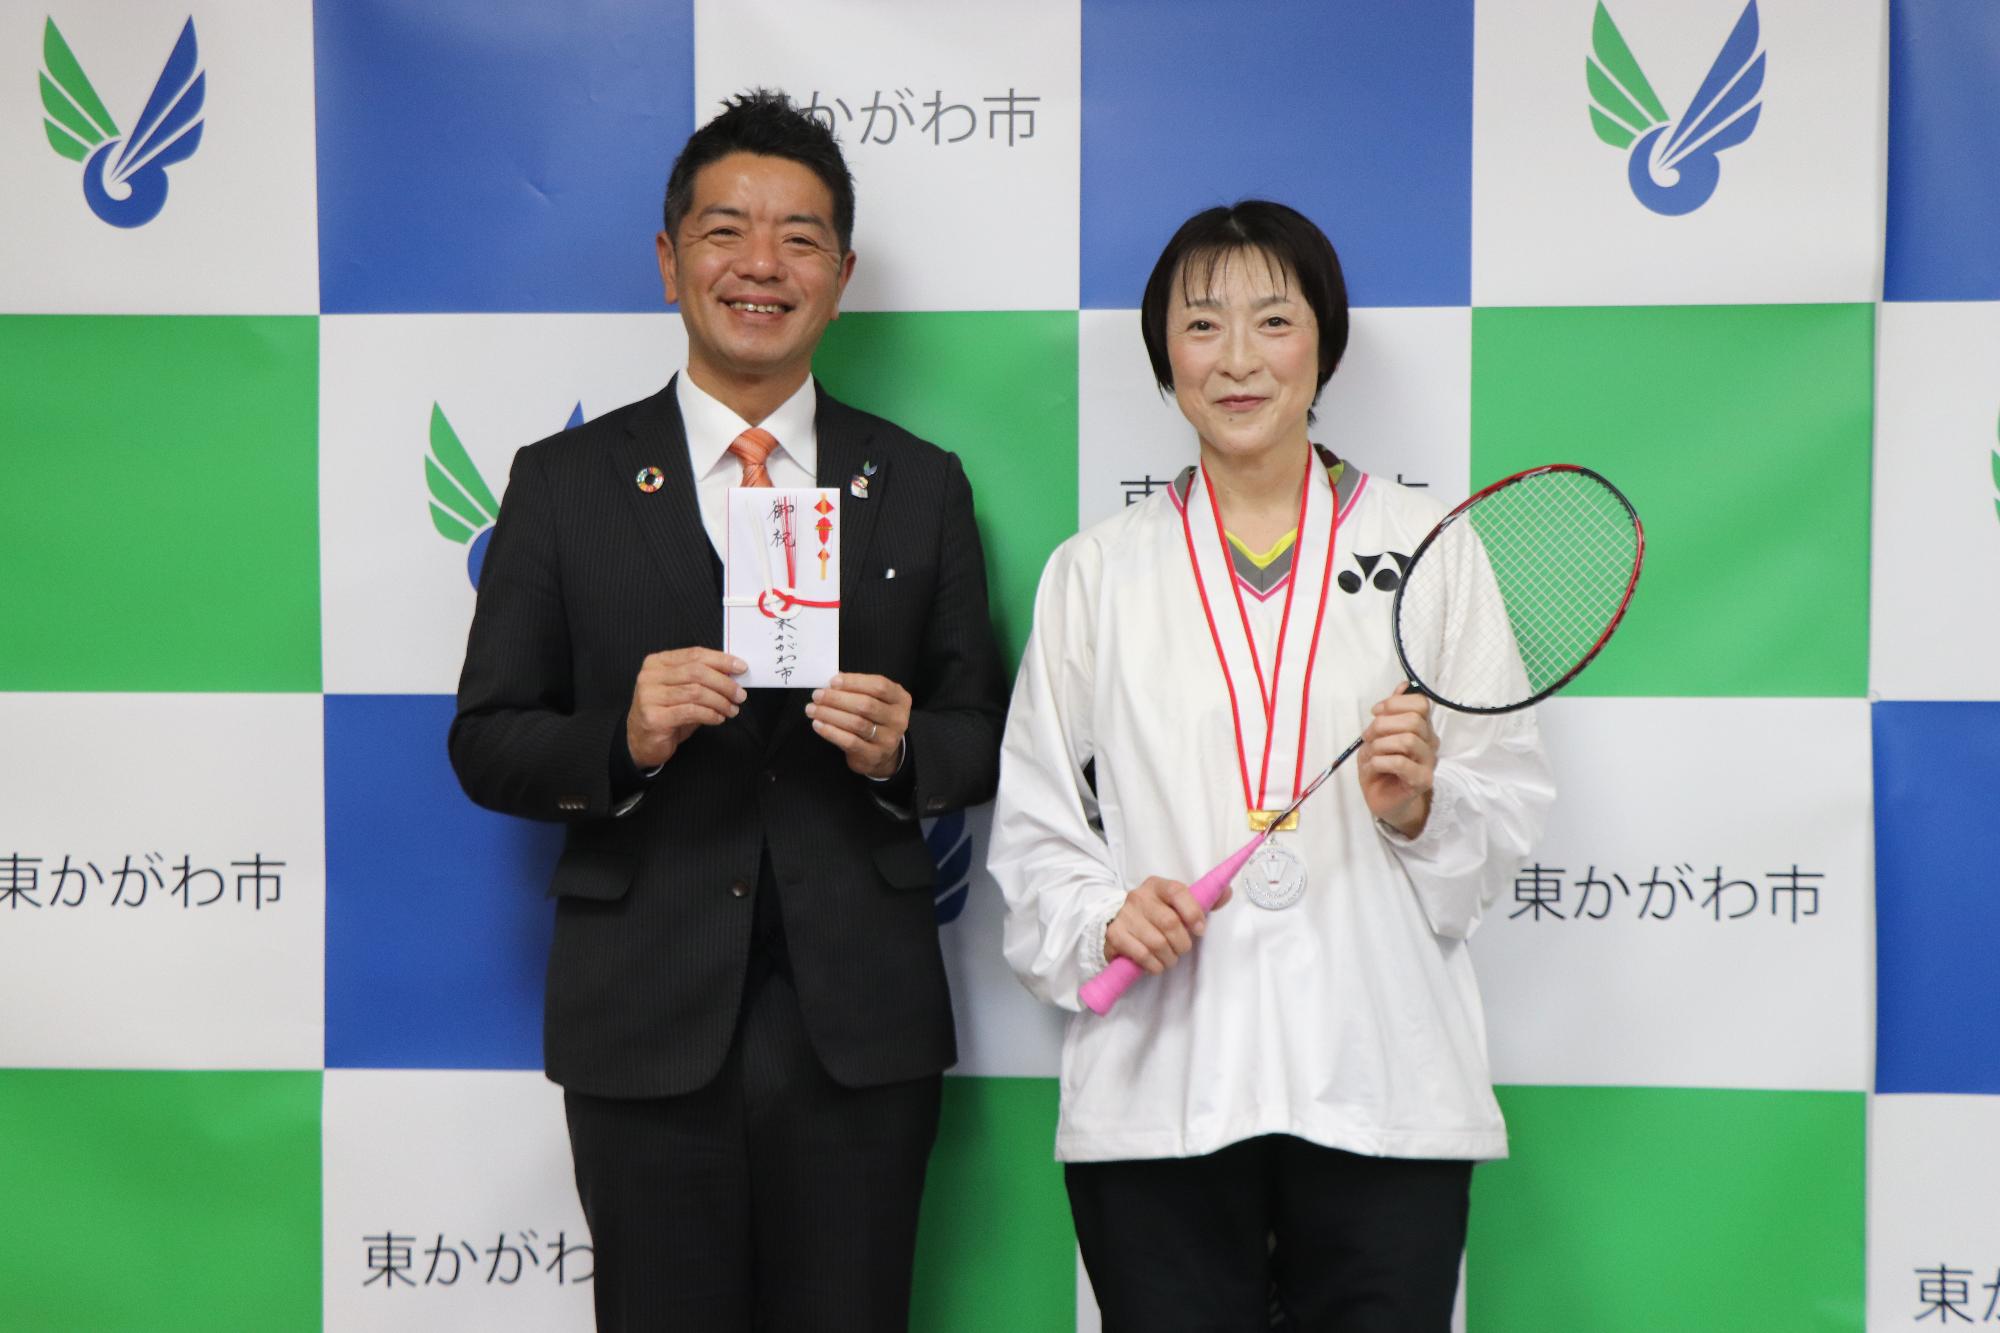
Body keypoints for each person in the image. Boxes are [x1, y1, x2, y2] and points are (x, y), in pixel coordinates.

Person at [449, 90, 1007, 1332]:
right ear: (668, 261)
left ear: (841, 277)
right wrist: (622, 737)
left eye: (800, 238)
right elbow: (485, 740)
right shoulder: (563, 483)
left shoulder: (918, 484)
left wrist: (901, 748)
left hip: (860, 1025)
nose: (761, 263)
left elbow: (982, 730)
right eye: (725, 231)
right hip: (643, 1013)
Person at [987, 201, 1554, 1331]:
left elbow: (1505, 812)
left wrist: (1419, 809)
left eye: (1273, 320)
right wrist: (1104, 919)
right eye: (1201, 324)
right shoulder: (1095, 572)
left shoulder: (1430, 547)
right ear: (1164, 355)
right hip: (1163, 1093)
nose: (1237, 358)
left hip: (1381, 1083)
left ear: (1323, 345)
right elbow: (1036, 830)